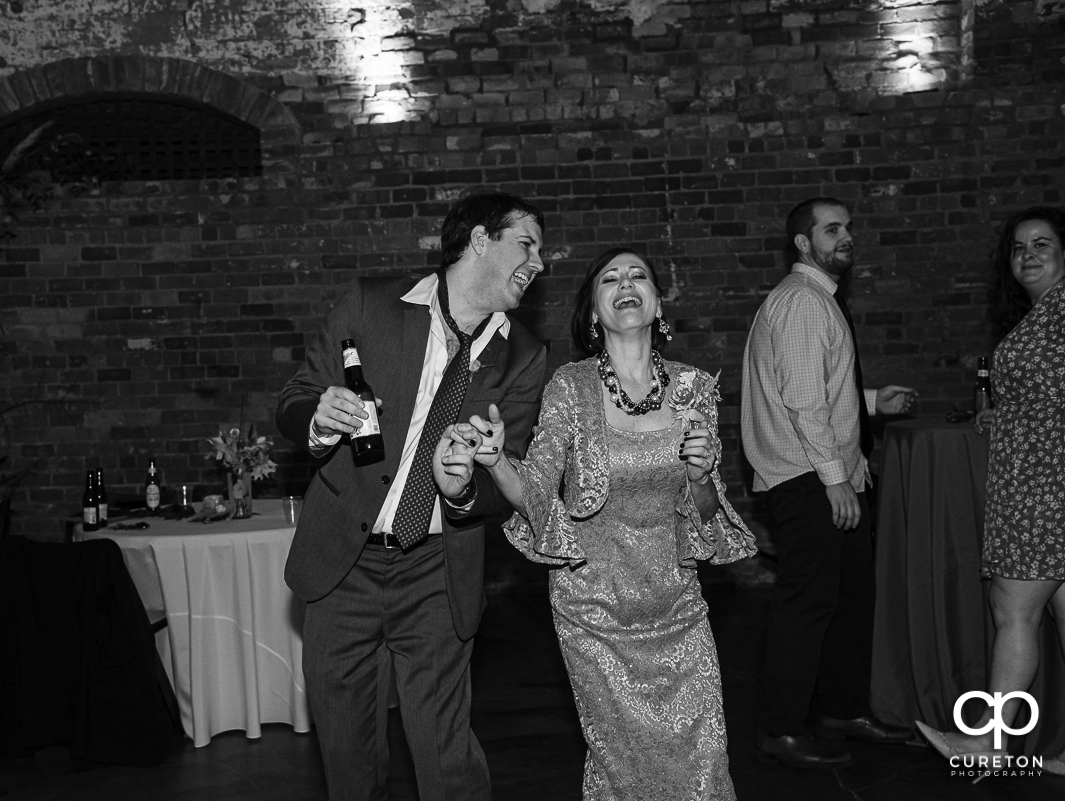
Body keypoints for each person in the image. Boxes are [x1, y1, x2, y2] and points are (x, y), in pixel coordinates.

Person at [434, 246, 756, 800]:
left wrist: (702, 476)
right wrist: (494, 461)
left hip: (676, 604)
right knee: (620, 761)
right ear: (593, 312)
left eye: (639, 276)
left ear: (657, 304)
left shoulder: (694, 389)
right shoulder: (570, 387)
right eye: (610, 278)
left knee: (702, 755)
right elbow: (534, 490)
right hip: (594, 608)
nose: (625, 283)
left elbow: (707, 516)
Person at [274, 192, 549, 801]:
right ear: (481, 239)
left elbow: (509, 481)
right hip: (343, 560)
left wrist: (463, 489)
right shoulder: (371, 304)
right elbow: (295, 396)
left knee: (445, 754)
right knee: (347, 755)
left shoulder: (525, 356)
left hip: (435, 566)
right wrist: (319, 420)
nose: (539, 261)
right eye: (526, 244)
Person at [741, 197, 917, 768]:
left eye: (848, 228)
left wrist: (869, 402)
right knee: (808, 603)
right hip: (808, 479)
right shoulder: (801, 302)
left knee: (850, 598)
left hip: (824, 473)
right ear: (802, 242)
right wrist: (836, 481)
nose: (846, 237)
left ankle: (840, 709)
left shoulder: (816, 301)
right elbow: (801, 402)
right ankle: (779, 726)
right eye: (832, 229)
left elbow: (816, 388)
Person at [916, 206, 1065, 774]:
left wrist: (1010, 422)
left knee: (1014, 611)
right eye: (1019, 247)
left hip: (1044, 490)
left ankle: (992, 746)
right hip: (1037, 481)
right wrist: (998, 419)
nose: (1027, 254)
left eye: (1042, 244)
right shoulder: (1041, 316)